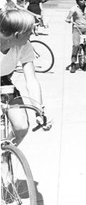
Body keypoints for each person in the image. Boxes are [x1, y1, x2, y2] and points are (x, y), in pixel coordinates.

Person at [0, 9, 48, 146]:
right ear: (17, 34)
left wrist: (39, 110)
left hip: (3, 81)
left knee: (21, 127)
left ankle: (4, 154)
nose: (32, 33)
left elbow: (31, 80)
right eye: (29, 31)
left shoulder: (24, 46)